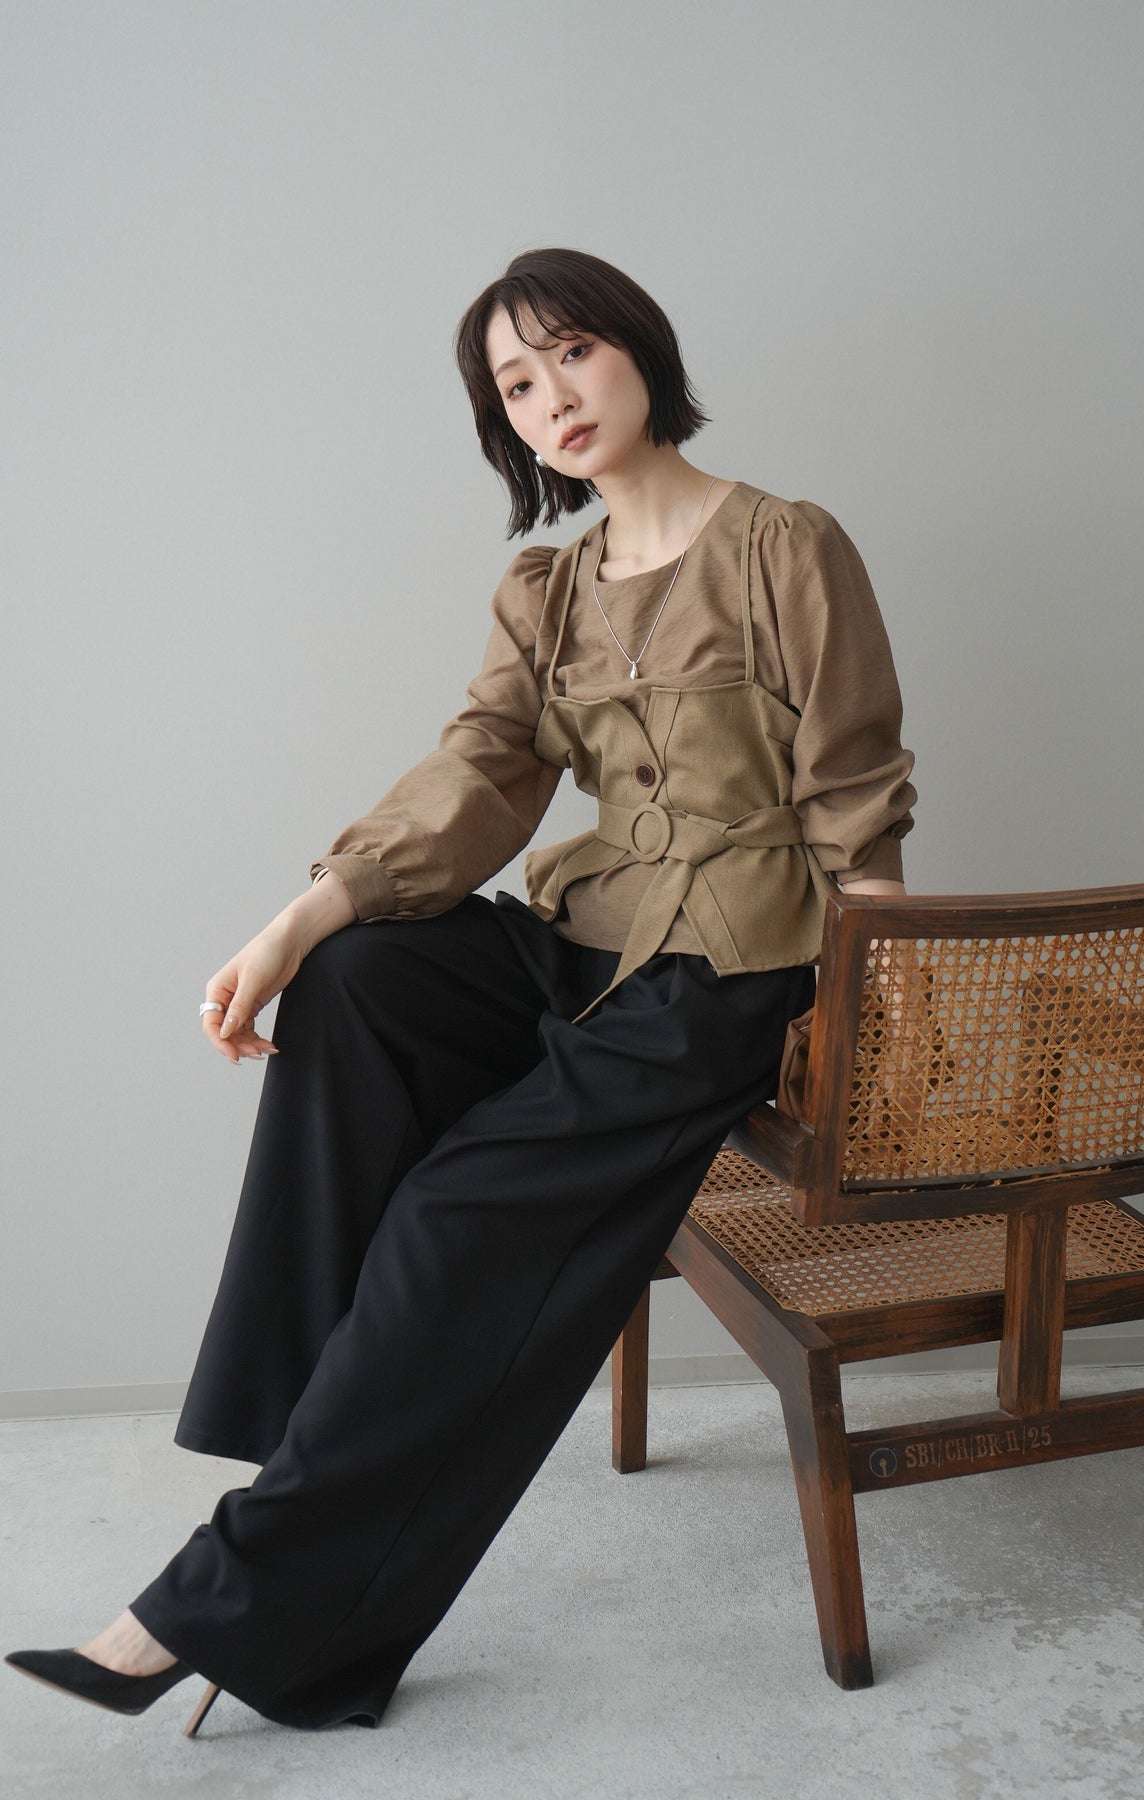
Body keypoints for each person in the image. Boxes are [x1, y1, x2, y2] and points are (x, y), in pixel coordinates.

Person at [6, 247, 917, 1735]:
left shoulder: (783, 545)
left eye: (573, 352)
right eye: (516, 382)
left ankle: (222, 1599)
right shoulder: (547, 590)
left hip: (726, 980)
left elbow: (857, 801)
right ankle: (320, 1437)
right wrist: (298, 920)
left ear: (639, 350)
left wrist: (872, 1016)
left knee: (450, 1217)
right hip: (591, 938)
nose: (553, 396)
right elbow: (486, 771)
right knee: (360, 977)